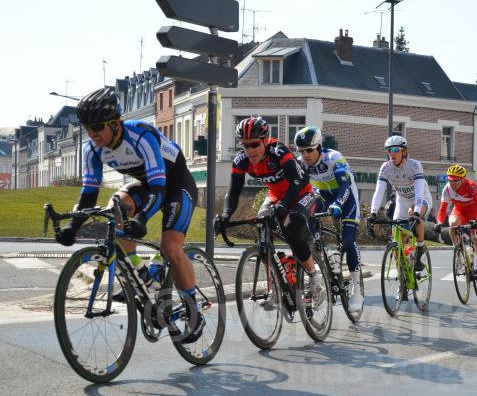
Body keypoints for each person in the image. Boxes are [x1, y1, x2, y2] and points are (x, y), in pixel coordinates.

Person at [56, 87, 204, 342]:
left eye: (98, 127)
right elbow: (88, 194)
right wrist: (72, 225)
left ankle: (194, 311)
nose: (93, 134)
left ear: (115, 123)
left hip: (175, 184)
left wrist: (142, 218)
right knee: (116, 209)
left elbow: (159, 188)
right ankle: (142, 277)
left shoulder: (141, 135)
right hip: (147, 184)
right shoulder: (92, 149)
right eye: (88, 128)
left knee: (170, 245)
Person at [215, 117, 323, 303]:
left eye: (254, 145)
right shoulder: (242, 161)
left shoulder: (279, 151)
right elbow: (232, 194)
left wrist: (283, 206)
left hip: (301, 192)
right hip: (275, 195)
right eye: (245, 145)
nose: (250, 150)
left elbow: (297, 183)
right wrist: (226, 215)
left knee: (292, 226)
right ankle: (277, 282)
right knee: (262, 225)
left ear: (265, 140)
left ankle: (314, 276)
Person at [294, 125, 363, 311]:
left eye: (309, 150)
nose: (305, 155)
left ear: (318, 147)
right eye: (301, 151)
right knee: (307, 224)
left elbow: (345, 186)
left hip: (346, 197)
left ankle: (357, 291)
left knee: (348, 241)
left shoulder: (334, 158)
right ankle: (319, 262)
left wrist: (338, 204)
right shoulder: (301, 163)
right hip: (323, 196)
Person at [368, 135, 432, 275]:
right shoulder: (385, 168)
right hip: (402, 201)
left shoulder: (414, 165)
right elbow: (379, 191)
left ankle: (420, 247)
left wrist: (416, 211)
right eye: (389, 150)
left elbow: (420, 190)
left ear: (404, 151)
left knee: (413, 213)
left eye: (396, 149)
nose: (392, 153)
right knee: (397, 242)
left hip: (420, 198)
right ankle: (402, 281)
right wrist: (372, 213)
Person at [434, 164, 477, 293]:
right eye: (450, 180)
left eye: (456, 181)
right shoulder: (447, 189)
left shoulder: (471, 186)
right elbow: (442, 209)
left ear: (463, 179)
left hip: (474, 214)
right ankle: (458, 251)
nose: (453, 183)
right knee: (453, 224)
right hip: (459, 212)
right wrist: (439, 222)